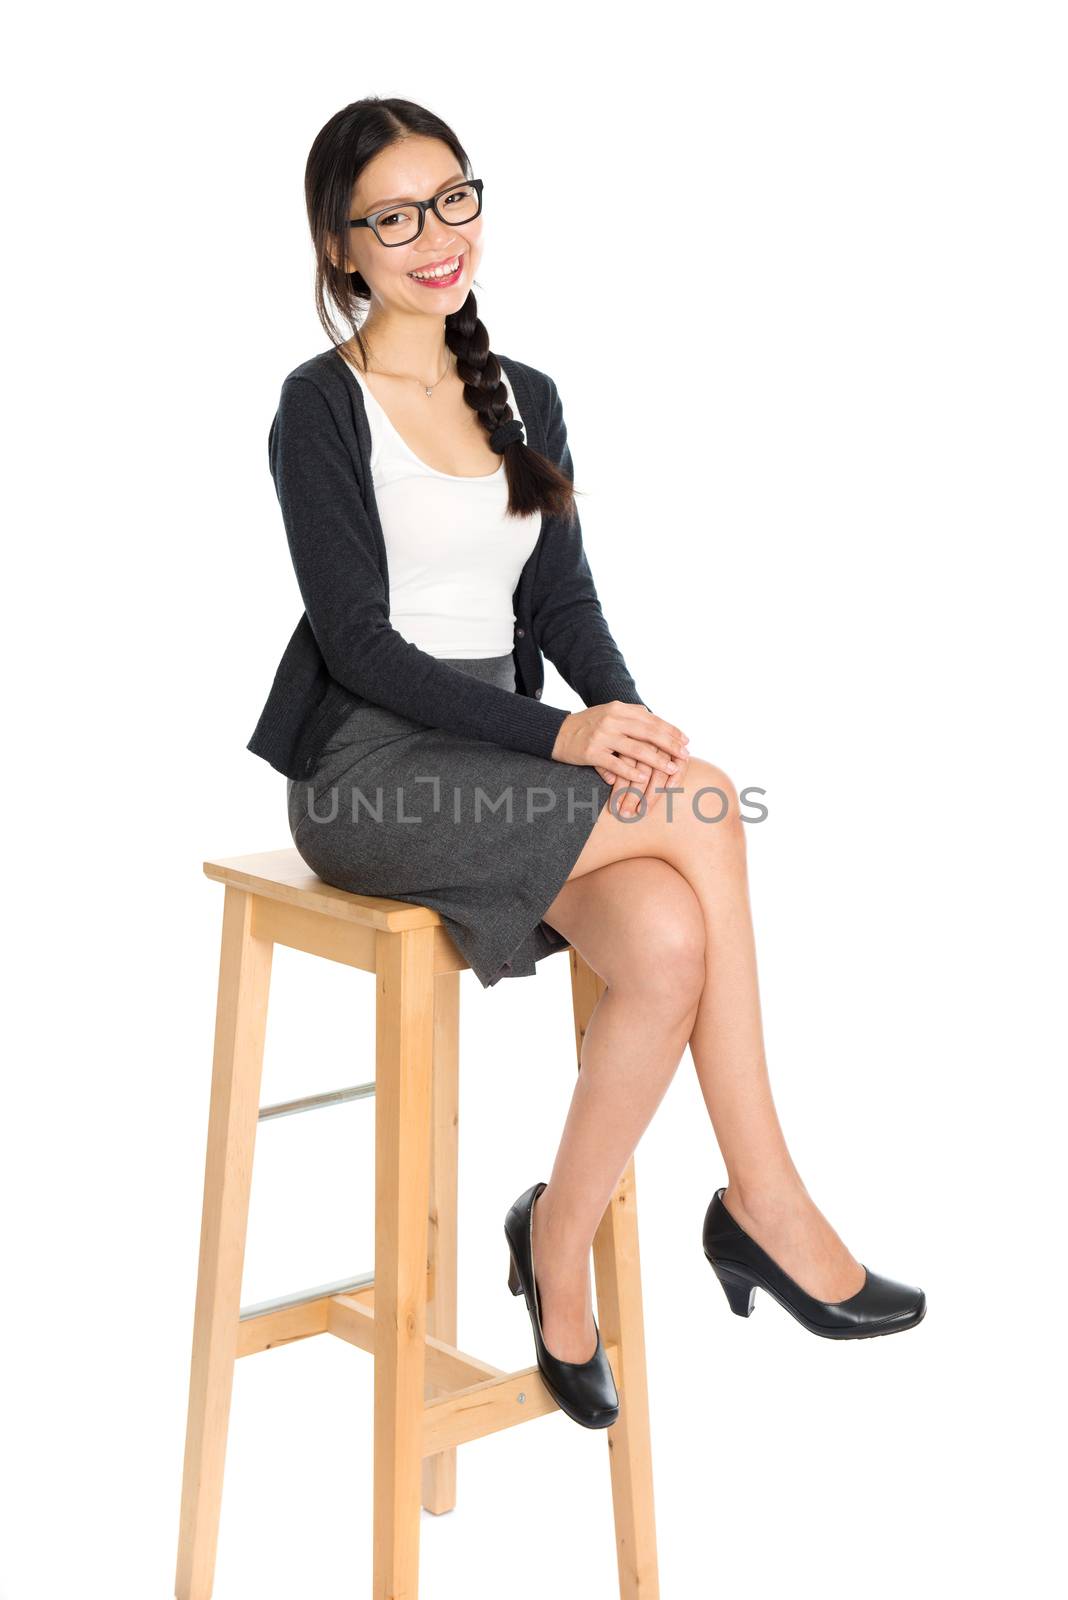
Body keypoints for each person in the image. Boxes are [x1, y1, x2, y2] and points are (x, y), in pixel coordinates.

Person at [247, 96, 926, 1431]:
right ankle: (764, 1202)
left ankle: (556, 1240)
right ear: (344, 249)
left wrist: (626, 718)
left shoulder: (525, 396)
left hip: (496, 759)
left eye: (454, 199)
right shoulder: (317, 409)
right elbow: (360, 645)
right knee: (710, 808)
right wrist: (567, 737)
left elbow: (559, 610)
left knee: (669, 939)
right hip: (370, 773)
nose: (435, 237)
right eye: (395, 216)